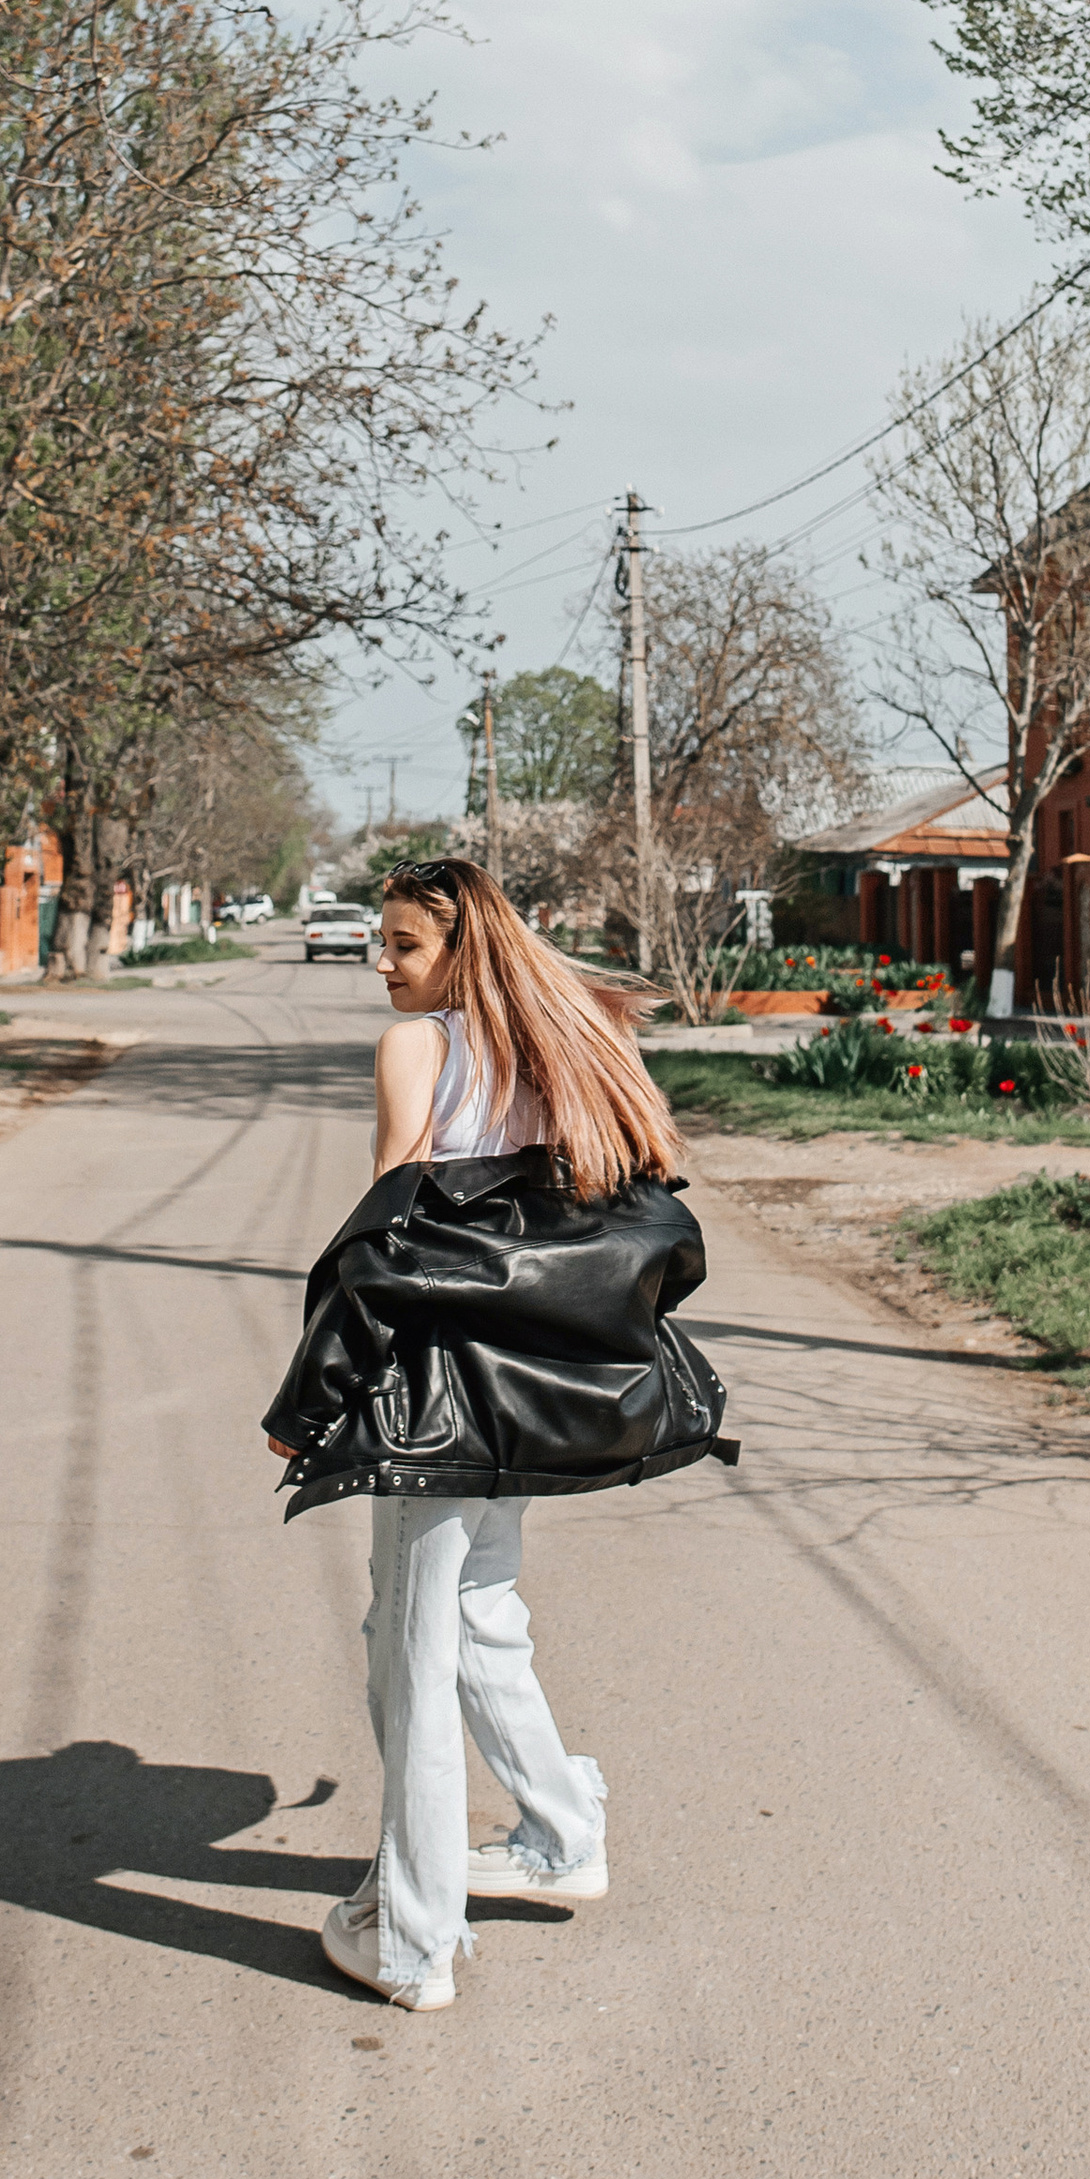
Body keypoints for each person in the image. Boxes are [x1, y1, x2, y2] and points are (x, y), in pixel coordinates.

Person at [261, 856, 732, 2013]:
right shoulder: (586, 1037)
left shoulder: (417, 1050)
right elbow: (651, 1192)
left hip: (441, 1397)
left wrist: (304, 1406)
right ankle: (563, 1833)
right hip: (547, 1382)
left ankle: (413, 1942)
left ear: (461, 948)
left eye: (402, 944)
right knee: (477, 1613)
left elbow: (386, 1244)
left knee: (413, 1653)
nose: (381, 961)